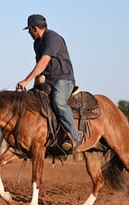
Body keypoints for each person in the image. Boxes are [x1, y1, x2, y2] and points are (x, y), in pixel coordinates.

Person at [16, 14, 79, 152]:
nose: (28, 33)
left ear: (35, 28)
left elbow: (44, 61)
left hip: (63, 79)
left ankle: (74, 138)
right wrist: (36, 82)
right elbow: (40, 65)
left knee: (58, 102)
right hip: (49, 80)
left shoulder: (53, 38)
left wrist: (27, 80)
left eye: (29, 30)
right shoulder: (37, 43)